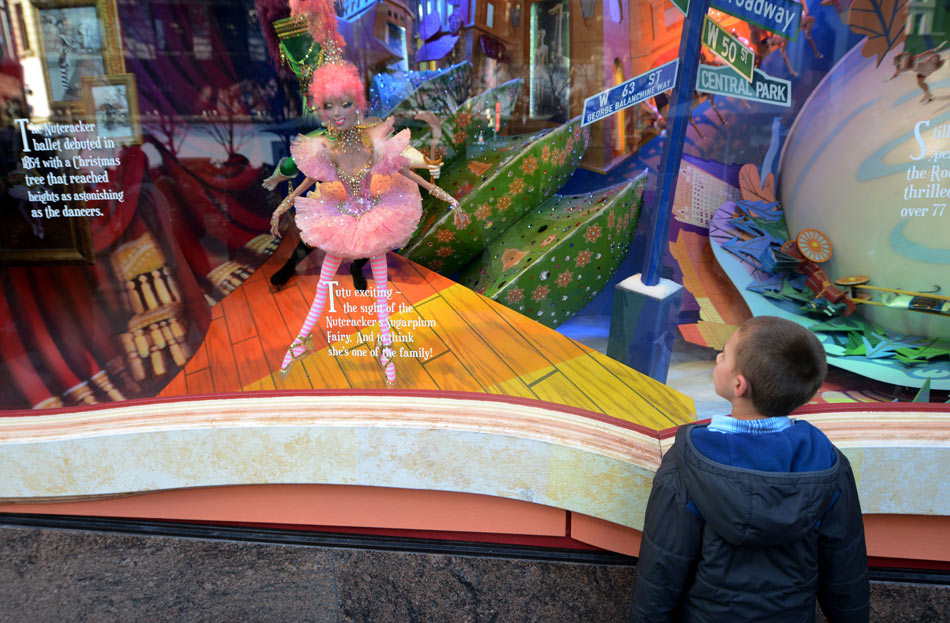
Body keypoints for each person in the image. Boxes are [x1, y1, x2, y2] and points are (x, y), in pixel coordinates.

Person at [270, 0, 467, 385]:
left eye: (345, 103)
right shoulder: (326, 149)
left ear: (358, 103)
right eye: (329, 106)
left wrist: (450, 198)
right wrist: (280, 209)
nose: (338, 112)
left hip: (378, 214)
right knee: (323, 287)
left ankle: (387, 350)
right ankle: (300, 340)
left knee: (380, 294)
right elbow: (306, 185)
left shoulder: (372, 142)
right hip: (342, 219)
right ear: (321, 110)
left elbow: (412, 176)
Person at [630, 316, 869, 622]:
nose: (718, 356)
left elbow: (663, 564)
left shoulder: (690, 459)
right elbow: (845, 569)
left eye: (725, 354)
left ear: (739, 385)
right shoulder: (826, 463)